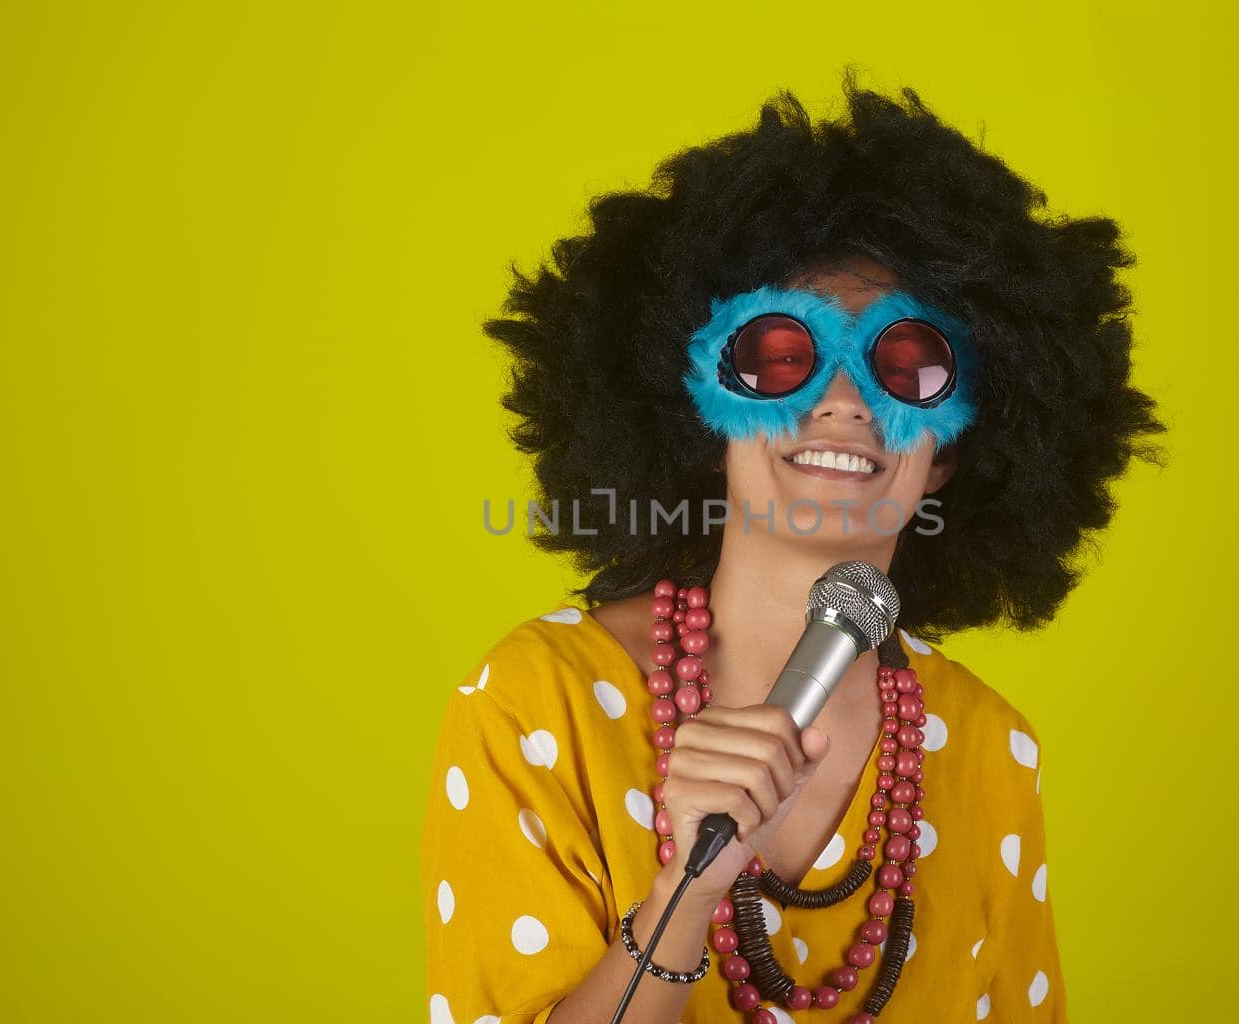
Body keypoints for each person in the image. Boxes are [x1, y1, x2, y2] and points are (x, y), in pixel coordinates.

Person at [422, 73, 1167, 1023]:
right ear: (702, 411)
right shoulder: (538, 705)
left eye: (909, 368)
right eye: (782, 355)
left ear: (943, 458)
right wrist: (687, 893)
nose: (846, 402)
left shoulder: (988, 747)